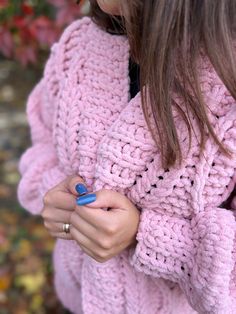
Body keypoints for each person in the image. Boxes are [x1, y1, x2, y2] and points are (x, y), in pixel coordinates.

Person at [17, 0, 236, 313]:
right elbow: (42, 142)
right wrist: (53, 194)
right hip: (78, 298)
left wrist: (143, 235)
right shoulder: (78, 45)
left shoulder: (228, 84)